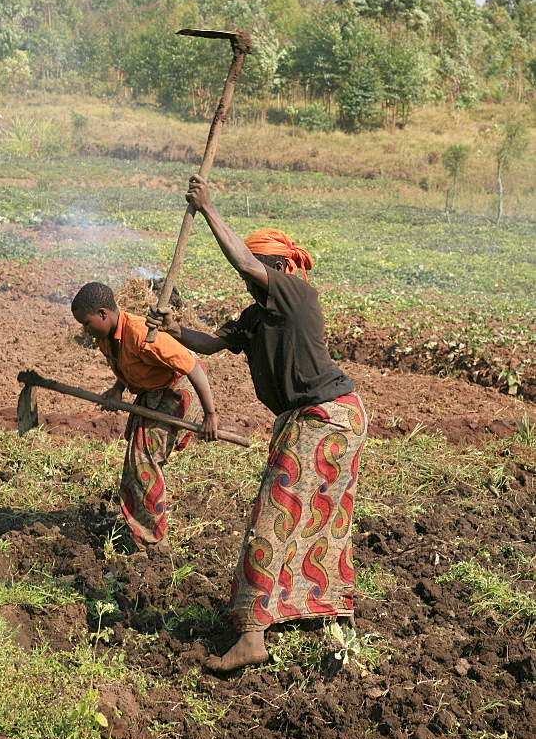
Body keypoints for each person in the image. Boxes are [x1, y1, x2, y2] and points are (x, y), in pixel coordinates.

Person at [148, 175, 367, 670]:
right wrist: (174, 330)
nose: (248, 278)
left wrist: (207, 209)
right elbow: (213, 345)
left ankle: (252, 635)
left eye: (256, 270)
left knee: (274, 517)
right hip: (315, 419)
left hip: (325, 418)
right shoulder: (254, 316)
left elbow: (243, 260)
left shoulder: (295, 294)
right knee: (316, 516)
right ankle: (323, 615)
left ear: (274, 268)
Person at [71, 281, 218, 555]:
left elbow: (193, 366)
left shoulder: (142, 334)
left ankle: (155, 543)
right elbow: (126, 365)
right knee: (134, 460)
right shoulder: (105, 337)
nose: (86, 331)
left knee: (144, 459)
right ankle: (143, 529)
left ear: (103, 314)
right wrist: (117, 389)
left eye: (87, 323)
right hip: (152, 391)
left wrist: (210, 415)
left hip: (178, 389)